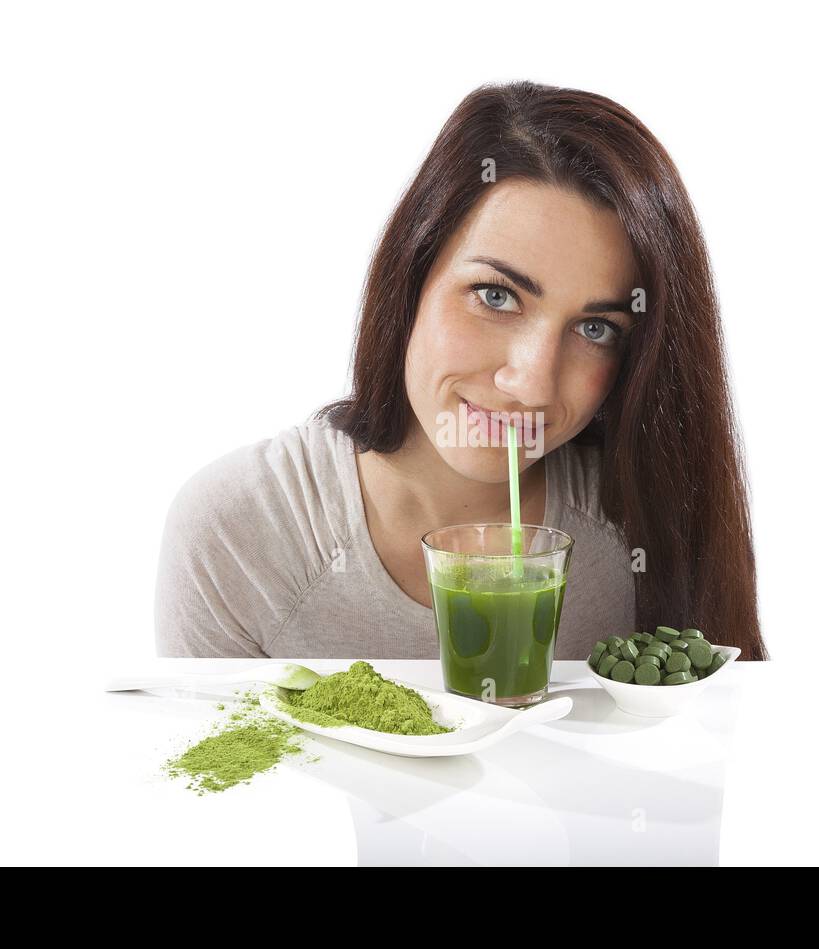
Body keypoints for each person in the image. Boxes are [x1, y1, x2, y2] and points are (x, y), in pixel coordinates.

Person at [155, 80, 767, 661]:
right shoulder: (240, 529)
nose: (529, 381)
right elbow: (219, 762)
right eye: (496, 296)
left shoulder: (639, 524)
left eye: (595, 328)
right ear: (411, 278)